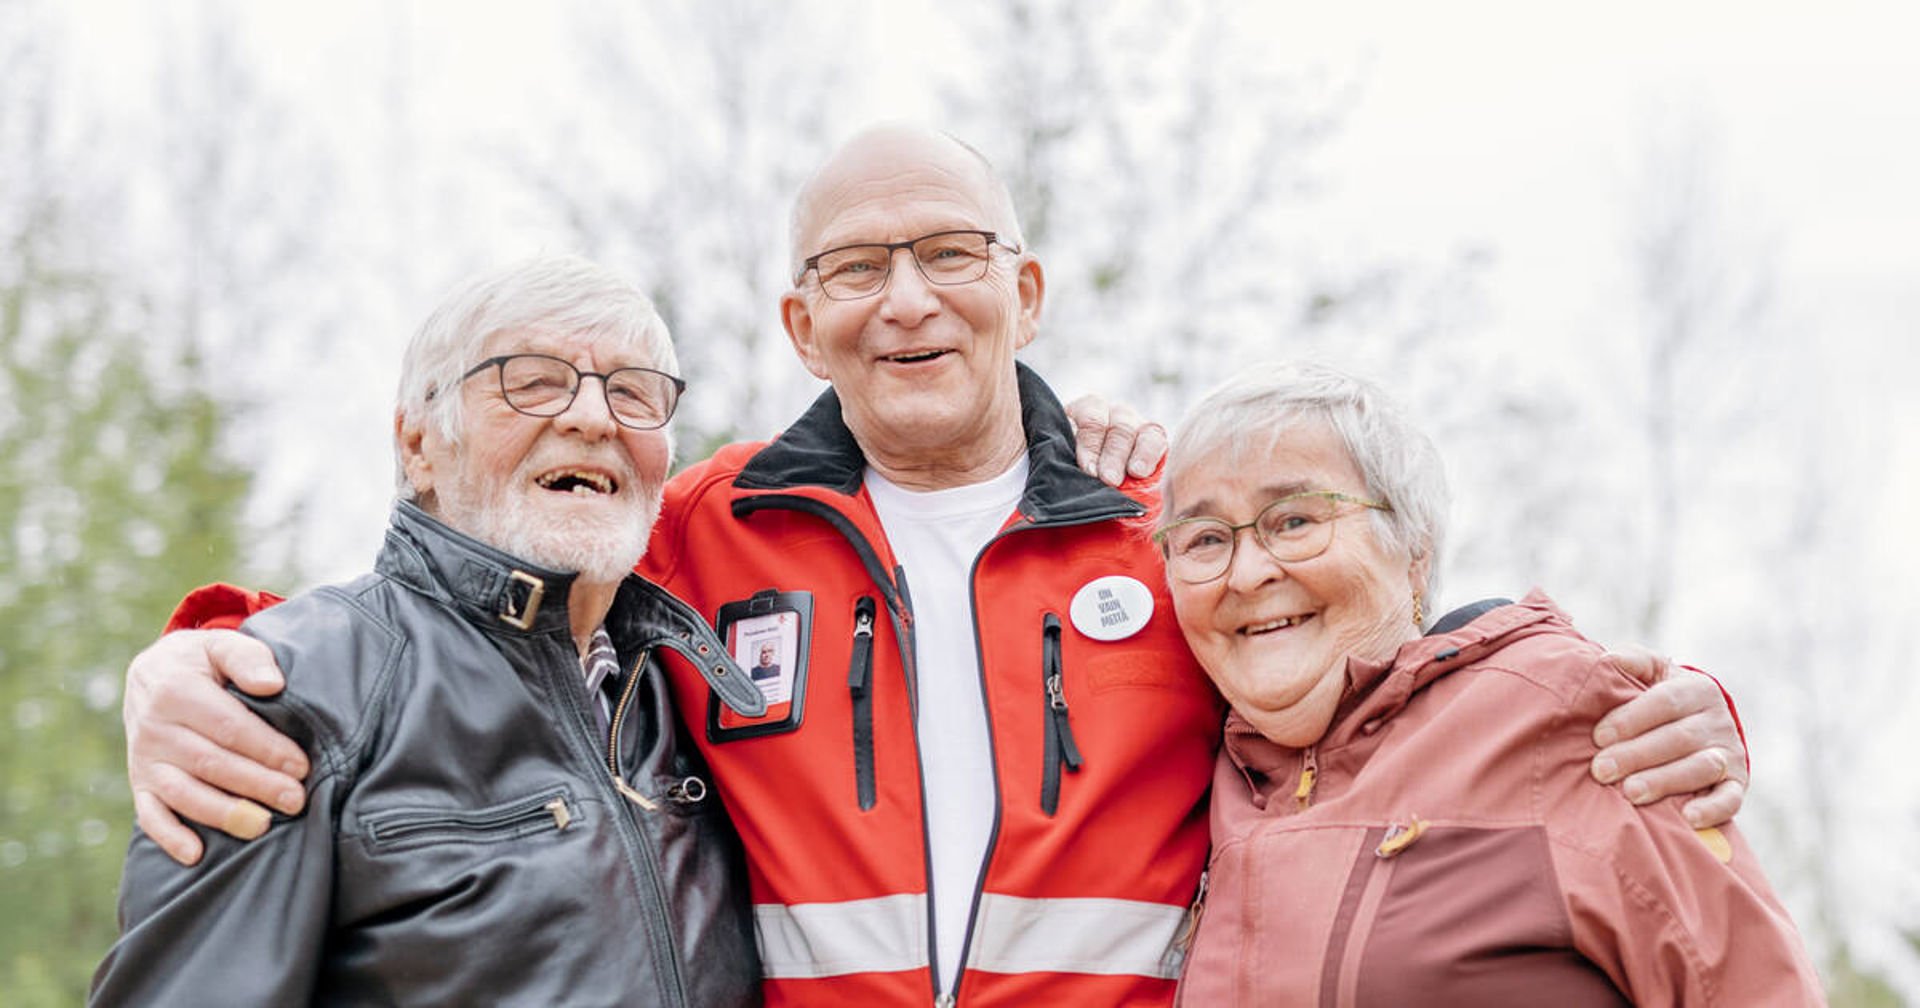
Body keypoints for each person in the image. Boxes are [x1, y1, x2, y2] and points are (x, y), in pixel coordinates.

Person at [117, 125, 1751, 1007]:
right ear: (797, 321)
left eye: (949, 255)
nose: (907, 301)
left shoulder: (1173, 518)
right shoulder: (691, 522)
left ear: (1024, 290)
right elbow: (476, 609)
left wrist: (1675, 709)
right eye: (854, 267)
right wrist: (199, 651)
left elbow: (1391, 664)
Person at [91, 257, 764, 1006]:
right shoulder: (277, 697)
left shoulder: (699, 689)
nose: (593, 417)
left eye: (634, 392)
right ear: (419, 446)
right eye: (533, 381)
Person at [1157, 361, 1822, 1005]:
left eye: (1296, 521)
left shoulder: (1567, 721)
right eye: (1206, 539)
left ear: (1413, 553)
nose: (1246, 574)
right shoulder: (1191, 768)